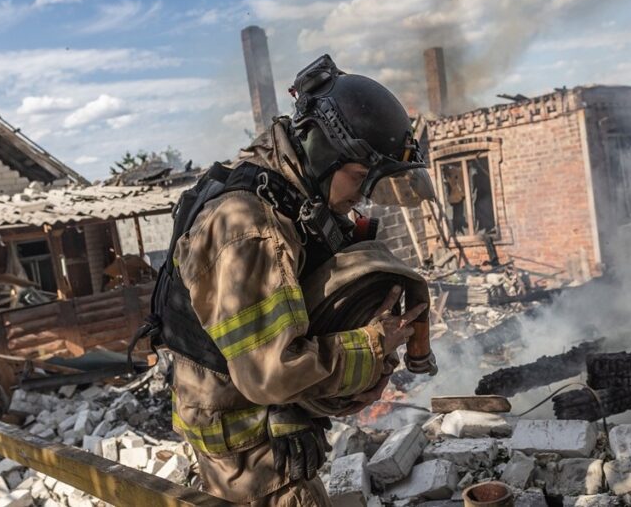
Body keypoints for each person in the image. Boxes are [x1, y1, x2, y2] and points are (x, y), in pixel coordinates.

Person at [148, 55, 435, 505]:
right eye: (359, 177)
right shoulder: (250, 228)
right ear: (323, 151)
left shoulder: (285, 190)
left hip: (258, 413)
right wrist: (375, 343)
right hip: (250, 450)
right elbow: (271, 373)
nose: (362, 196)